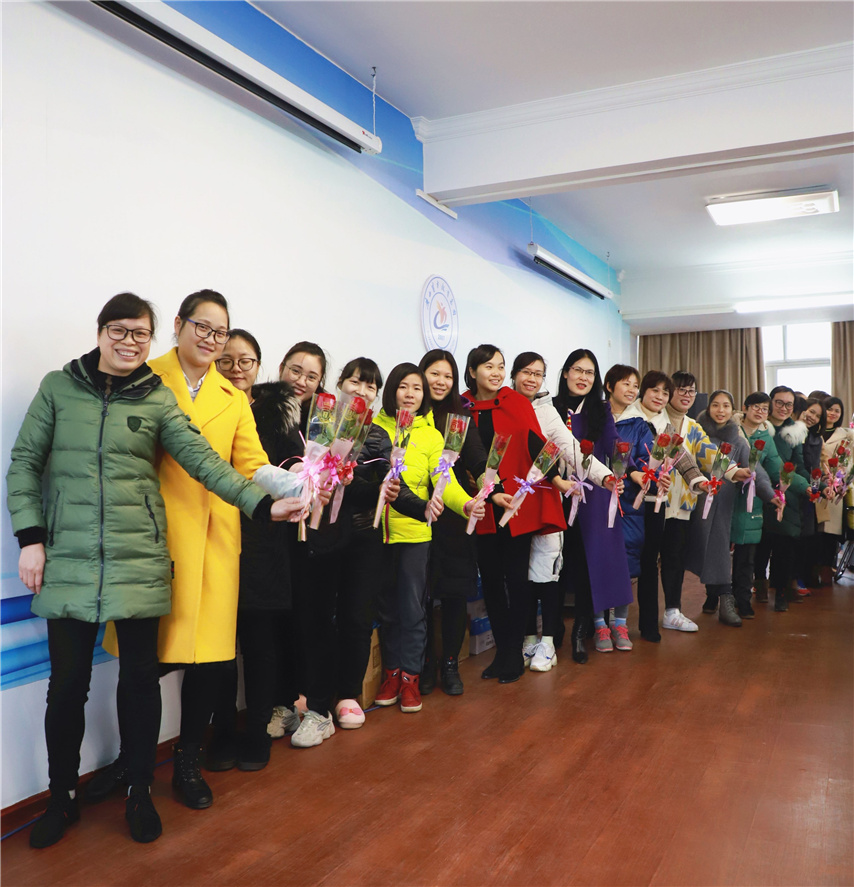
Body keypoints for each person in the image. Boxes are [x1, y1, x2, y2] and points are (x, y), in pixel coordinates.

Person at [6, 293, 300, 848]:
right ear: (100, 331)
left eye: (139, 333)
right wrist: (31, 539)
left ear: (150, 338)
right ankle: (61, 798)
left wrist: (265, 505)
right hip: (69, 558)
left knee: (141, 682)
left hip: (139, 558)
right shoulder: (58, 387)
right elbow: (24, 464)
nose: (129, 342)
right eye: (119, 330)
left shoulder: (157, 397)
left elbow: (207, 463)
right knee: (66, 687)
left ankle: (139, 792)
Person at [99, 290, 307, 810]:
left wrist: (298, 483)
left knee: (209, 662)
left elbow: (251, 463)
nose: (212, 339)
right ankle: (132, 761)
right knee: (142, 662)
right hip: (148, 536)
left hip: (214, 537)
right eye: (203, 327)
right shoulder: (143, 375)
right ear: (178, 325)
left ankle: (187, 760)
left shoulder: (232, 398)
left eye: (220, 331)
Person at [209, 330, 304, 769]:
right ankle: (222, 732)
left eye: (245, 361)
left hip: (264, 538)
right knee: (217, 650)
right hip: (214, 537)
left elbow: (293, 466)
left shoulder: (278, 415)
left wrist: (307, 478)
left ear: (259, 366)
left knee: (261, 643)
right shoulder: (203, 409)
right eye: (226, 360)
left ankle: (258, 732)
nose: (235, 369)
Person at [373, 363, 483, 713]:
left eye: (416, 388)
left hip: (414, 534)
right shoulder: (373, 428)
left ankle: (410, 677)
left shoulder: (433, 435)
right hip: (376, 535)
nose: (410, 394)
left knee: (412, 609)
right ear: (391, 390)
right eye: (403, 387)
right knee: (386, 611)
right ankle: (391, 673)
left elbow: (443, 479)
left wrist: (465, 504)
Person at [462, 345, 565, 683]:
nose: (495, 372)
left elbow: (537, 444)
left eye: (500, 366)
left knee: (516, 582)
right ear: (473, 371)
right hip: (480, 508)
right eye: (488, 366)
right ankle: (504, 652)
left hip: (514, 505)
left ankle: (513, 655)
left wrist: (557, 478)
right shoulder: (462, 407)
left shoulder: (516, 402)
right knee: (491, 582)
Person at [511, 352, 613, 668]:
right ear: (513, 374)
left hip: (546, 499)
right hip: (508, 500)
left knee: (547, 572)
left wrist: (605, 476)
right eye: (526, 372)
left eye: (538, 374)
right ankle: (526, 639)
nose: (532, 379)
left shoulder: (547, 412)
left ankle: (548, 642)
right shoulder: (503, 407)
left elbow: (572, 450)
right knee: (518, 575)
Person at [551, 349, 633, 660]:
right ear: (565, 373)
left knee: (587, 565)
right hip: (554, 492)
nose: (583, 377)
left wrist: (626, 471)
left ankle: (580, 632)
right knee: (555, 566)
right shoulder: (550, 408)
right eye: (577, 370)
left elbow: (614, 446)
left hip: (592, 496)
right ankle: (553, 630)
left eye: (589, 372)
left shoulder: (600, 410)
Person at [418, 350, 490, 695]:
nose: (441, 381)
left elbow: (476, 457)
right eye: (434, 373)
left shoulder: (460, 416)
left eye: (447, 376)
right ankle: (422, 664)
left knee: (453, 593)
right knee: (419, 594)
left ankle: (449, 663)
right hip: (414, 511)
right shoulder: (410, 413)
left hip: (454, 513)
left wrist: (489, 484)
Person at [618, 372, 706, 641]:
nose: (659, 397)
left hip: (653, 503)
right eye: (654, 390)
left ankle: (648, 625)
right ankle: (608, 621)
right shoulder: (625, 418)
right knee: (621, 560)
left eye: (665, 392)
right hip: (623, 501)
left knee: (648, 562)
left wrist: (699, 481)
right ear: (642, 392)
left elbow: (682, 457)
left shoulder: (665, 426)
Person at [657, 371, 747, 632]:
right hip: (653, 500)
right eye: (681, 390)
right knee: (646, 558)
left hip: (682, 504)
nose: (687, 395)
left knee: (674, 558)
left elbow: (710, 453)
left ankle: (672, 611)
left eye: (691, 391)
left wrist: (733, 471)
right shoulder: (655, 420)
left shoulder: (693, 427)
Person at [687, 391, 780, 626]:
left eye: (726, 406)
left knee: (718, 552)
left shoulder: (737, 440)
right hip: (695, 500)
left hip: (723, 505)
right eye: (716, 405)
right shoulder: (696, 433)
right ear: (708, 408)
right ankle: (708, 596)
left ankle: (724, 596)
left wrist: (770, 495)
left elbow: (755, 470)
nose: (721, 410)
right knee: (696, 551)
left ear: (733, 409)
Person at [605, 364, 654, 601]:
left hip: (628, 501)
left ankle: (620, 618)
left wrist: (643, 473)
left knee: (626, 560)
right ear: (609, 386)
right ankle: (598, 618)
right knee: (597, 559)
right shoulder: (595, 417)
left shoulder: (639, 424)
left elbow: (647, 458)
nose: (632, 390)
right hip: (598, 496)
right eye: (626, 384)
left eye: (635, 386)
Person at [759, 386, 810, 611]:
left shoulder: (796, 432)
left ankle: (780, 592)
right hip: (759, 491)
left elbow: (799, 465)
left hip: (786, 494)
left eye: (789, 404)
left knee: (784, 546)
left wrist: (814, 486)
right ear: (770, 402)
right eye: (779, 402)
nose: (783, 408)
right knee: (760, 545)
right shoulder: (760, 426)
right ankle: (759, 584)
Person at [731, 392, 782, 615]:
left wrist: (792, 484)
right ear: (745, 408)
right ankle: (716, 596)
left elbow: (775, 467)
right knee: (719, 552)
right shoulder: (731, 431)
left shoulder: (766, 437)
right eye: (756, 407)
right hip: (726, 497)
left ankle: (742, 600)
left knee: (746, 555)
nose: (760, 412)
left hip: (752, 501)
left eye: (765, 409)